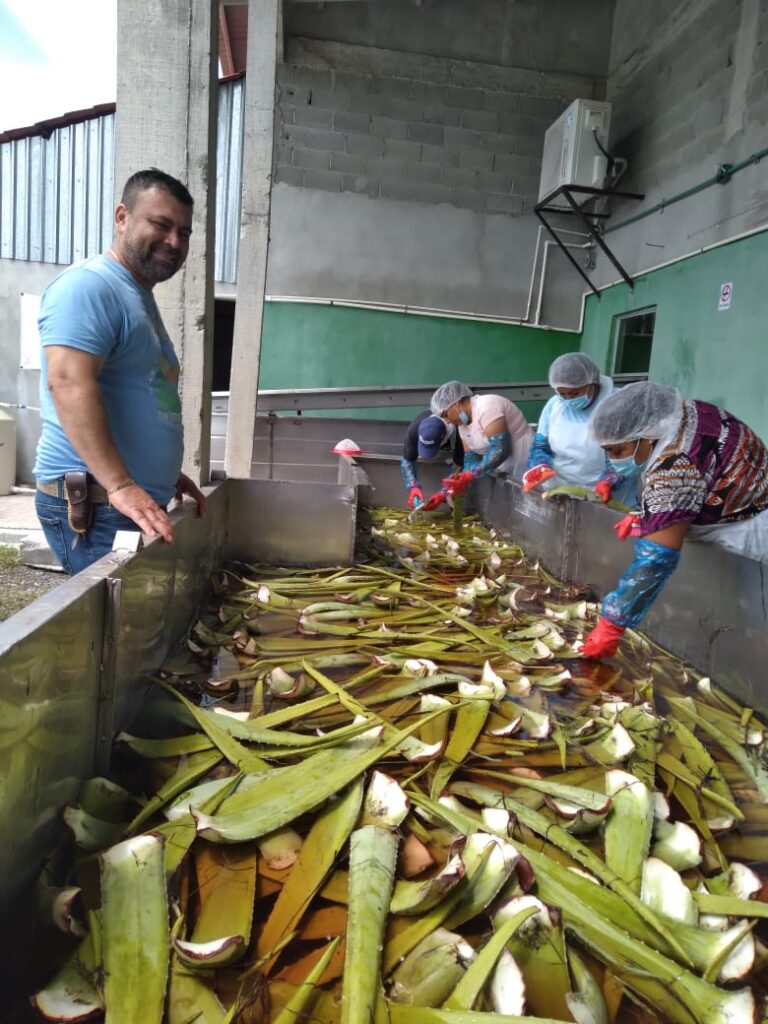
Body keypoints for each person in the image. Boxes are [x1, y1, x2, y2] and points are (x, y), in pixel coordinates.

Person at [34, 168, 206, 575]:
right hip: (96, 505)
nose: (174, 241)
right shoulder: (90, 287)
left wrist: (161, 471)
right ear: (122, 217)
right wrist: (121, 483)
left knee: (134, 629)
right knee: (121, 632)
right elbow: (68, 382)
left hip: (120, 496)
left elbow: (136, 391)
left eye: (184, 232)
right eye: (161, 225)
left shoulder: (136, 296)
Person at [582, 381, 768, 659]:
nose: (613, 461)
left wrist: (612, 623)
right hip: (745, 500)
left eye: (617, 452)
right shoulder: (685, 414)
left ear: (646, 436)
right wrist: (647, 514)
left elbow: (656, 559)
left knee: (747, 623)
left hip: (744, 535)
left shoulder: (674, 468)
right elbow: (701, 482)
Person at [523, 352, 637, 507]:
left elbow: (627, 453)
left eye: (574, 393)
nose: (568, 398)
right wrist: (541, 465)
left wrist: (609, 481)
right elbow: (540, 445)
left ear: (592, 383)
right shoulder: (554, 405)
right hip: (559, 490)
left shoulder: (617, 405)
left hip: (603, 495)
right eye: (562, 393)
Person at [426, 381, 533, 503]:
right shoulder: (462, 425)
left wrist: (470, 475)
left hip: (526, 460)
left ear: (456, 404)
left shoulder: (487, 406)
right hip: (506, 469)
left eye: (445, 415)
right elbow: (470, 459)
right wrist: (444, 493)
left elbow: (500, 449)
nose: (447, 421)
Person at [400, 411, 463, 510]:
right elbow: (407, 460)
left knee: (455, 495)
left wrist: (443, 493)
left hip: (453, 454)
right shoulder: (414, 429)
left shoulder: (459, 432)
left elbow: (459, 467)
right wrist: (413, 486)